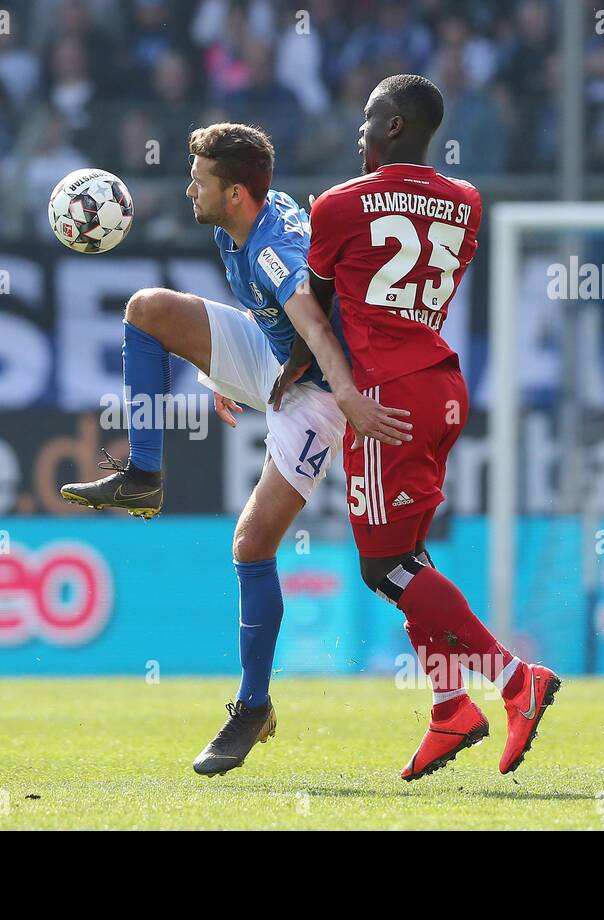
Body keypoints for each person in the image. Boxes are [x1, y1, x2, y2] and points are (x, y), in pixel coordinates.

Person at [60, 124, 399, 776]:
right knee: (148, 309)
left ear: (237, 193)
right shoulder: (232, 228)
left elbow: (312, 321)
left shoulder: (275, 251)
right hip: (273, 358)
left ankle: (252, 705)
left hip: (322, 392)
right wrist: (220, 370)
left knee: (251, 545)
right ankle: (144, 475)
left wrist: (351, 395)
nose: (189, 187)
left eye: (200, 180)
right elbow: (269, 319)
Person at [285, 74, 561, 780]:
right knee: (409, 559)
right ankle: (449, 709)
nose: (360, 132)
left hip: (384, 397)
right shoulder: (466, 203)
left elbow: (314, 306)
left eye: (370, 119)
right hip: (443, 385)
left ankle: (510, 680)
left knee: (383, 568)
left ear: (397, 127)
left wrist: (294, 367)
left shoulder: (339, 206)